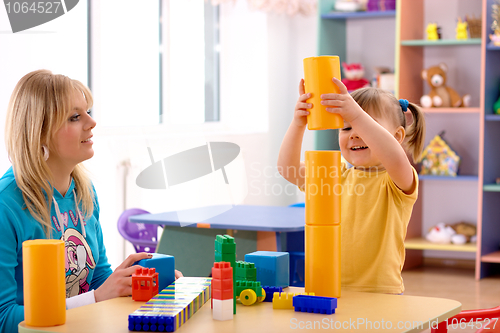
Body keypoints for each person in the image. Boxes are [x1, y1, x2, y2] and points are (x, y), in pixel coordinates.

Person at [0, 70, 182, 333]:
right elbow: (4, 317)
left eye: (88, 111)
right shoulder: (7, 205)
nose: (91, 122)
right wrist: (95, 298)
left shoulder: (83, 192)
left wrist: (137, 280)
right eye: (75, 117)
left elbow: (96, 279)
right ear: (38, 132)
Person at [278, 77, 425, 294]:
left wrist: (355, 115)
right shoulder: (332, 175)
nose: (355, 133)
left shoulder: (396, 179)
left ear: (397, 136)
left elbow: (394, 156)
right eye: (346, 127)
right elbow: (287, 168)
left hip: (379, 293)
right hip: (327, 287)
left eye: (366, 125)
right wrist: (298, 123)